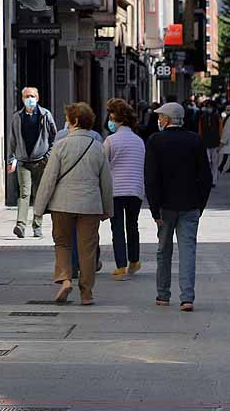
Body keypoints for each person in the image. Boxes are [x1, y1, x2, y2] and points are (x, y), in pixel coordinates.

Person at [33, 102, 113, 305]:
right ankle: (87, 294)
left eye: (68, 119)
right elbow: (106, 181)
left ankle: (65, 278)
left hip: (62, 205)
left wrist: (39, 208)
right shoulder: (97, 147)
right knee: (88, 249)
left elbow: (49, 179)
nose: (66, 123)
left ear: (75, 121)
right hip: (90, 206)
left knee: (62, 243)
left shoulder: (60, 146)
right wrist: (107, 209)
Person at [145, 102, 212, 312]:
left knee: (163, 250)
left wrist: (154, 209)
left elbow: (151, 179)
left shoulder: (155, 140)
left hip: (165, 206)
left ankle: (163, 295)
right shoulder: (195, 140)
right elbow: (206, 177)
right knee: (188, 251)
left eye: (160, 117)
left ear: (166, 119)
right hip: (190, 204)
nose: (158, 120)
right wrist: (200, 205)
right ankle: (187, 298)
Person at [7, 87, 59, 238]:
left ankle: (37, 225)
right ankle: (20, 225)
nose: (29, 98)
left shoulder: (45, 115)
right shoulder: (17, 117)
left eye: (32, 96)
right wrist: (11, 159)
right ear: (22, 98)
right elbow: (12, 140)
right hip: (23, 161)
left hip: (40, 161)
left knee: (39, 194)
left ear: (37, 98)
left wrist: (48, 155)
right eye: (26, 96)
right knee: (24, 193)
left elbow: (54, 137)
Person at [104, 99, 146, 280]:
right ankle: (134, 261)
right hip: (135, 190)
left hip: (116, 190)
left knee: (117, 228)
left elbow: (103, 165)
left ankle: (121, 265)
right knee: (132, 226)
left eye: (111, 116)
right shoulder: (138, 141)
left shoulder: (111, 140)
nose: (109, 121)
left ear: (116, 118)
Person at [198, 99, 222, 186]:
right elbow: (200, 130)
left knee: (214, 162)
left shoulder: (217, 117)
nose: (208, 108)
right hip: (206, 142)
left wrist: (220, 141)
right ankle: (209, 178)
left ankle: (214, 180)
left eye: (209, 107)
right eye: (207, 107)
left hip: (215, 142)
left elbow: (220, 129)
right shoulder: (202, 117)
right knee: (207, 161)